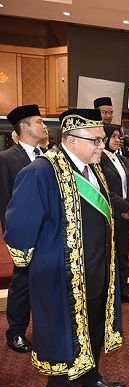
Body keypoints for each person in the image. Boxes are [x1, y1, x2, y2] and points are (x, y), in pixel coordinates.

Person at [4, 108, 124, 387]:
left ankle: (89, 376)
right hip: (61, 273)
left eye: (102, 140)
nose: (101, 146)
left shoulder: (93, 168)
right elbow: (19, 224)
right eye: (96, 140)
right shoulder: (41, 171)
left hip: (97, 267)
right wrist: (32, 264)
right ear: (71, 140)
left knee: (93, 323)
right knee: (62, 332)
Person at [1, 104, 47, 353]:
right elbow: (5, 201)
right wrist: (13, 237)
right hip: (25, 234)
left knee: (47, 281)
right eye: (39, 121)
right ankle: (16, 332)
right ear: (24, 127)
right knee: (22, 283)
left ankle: (45, 327)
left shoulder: (48, 155)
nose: (44, 126)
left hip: (49, 233)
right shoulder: (7, 158)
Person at [100, 125, 129, 304]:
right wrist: (125, 207)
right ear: (105, 139)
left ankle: (124, 289)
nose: (118, 140)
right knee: (109, 255)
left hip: (126, 215)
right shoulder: (99, 160)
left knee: (123, 254)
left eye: (119, 137)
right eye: (114, 136)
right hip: (110, 215)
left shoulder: (123, 160)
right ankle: (110, 293)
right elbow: (105, 191)